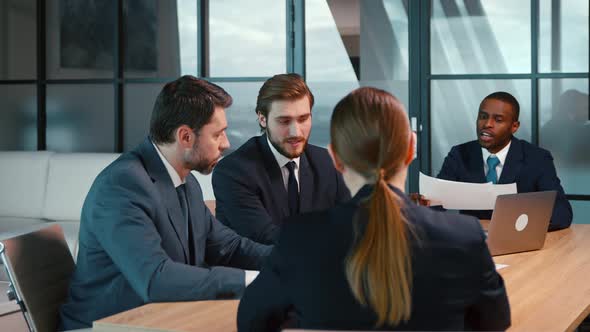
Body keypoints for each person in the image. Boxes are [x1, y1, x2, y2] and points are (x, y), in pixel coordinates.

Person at [237, 87, 510, 331]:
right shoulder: (464, 236)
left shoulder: (299, 238)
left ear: (335, 158)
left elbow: (252, 322)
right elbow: (494, 322)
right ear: (411, 148)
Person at [59, 76, 272, 329]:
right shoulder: (122, 185)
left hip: (161, 320)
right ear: (185, 137)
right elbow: (156, 279)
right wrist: (253, 280)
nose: (226, 144)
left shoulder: (186, 182)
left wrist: (294, 260)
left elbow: (230, 247)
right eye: (218, 134)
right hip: (106, 326)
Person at [212, 73, 350, 245]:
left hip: (321, 268)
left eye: (303, 119)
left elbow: (350, 225)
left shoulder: (329, 163)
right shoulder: (233, 171)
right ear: (262, 119)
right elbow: (267, 237)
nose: (296, 133)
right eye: (284, 121)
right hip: (259, 270)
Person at [436, 91, 572, 231]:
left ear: (514, 127)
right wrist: (421, 204)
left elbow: (561, 213)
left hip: (519, 240)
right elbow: (435, 205)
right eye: (483, 117)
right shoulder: (459, 154)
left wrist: (520, 226)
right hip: (472, 241)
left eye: (498, 120)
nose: (487, 124)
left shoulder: (537, 158)